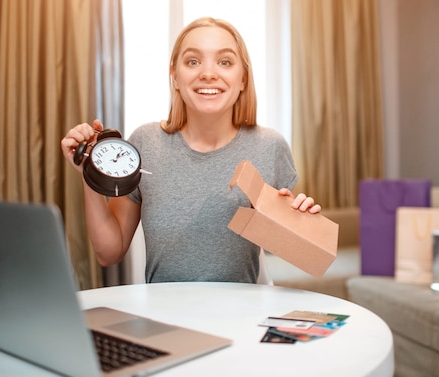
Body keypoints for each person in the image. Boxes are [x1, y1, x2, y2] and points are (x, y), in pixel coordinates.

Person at [61, 17, 321, 284]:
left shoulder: (269, 146)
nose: (208, 73)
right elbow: (109, 252)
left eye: (225, 62)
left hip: (240, 319)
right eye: (193, 61)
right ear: (175, 76)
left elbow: (297, 251)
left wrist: (302, 225)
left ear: (243, 78)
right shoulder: (145, 142)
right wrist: (89, 170)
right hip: (164, 318)